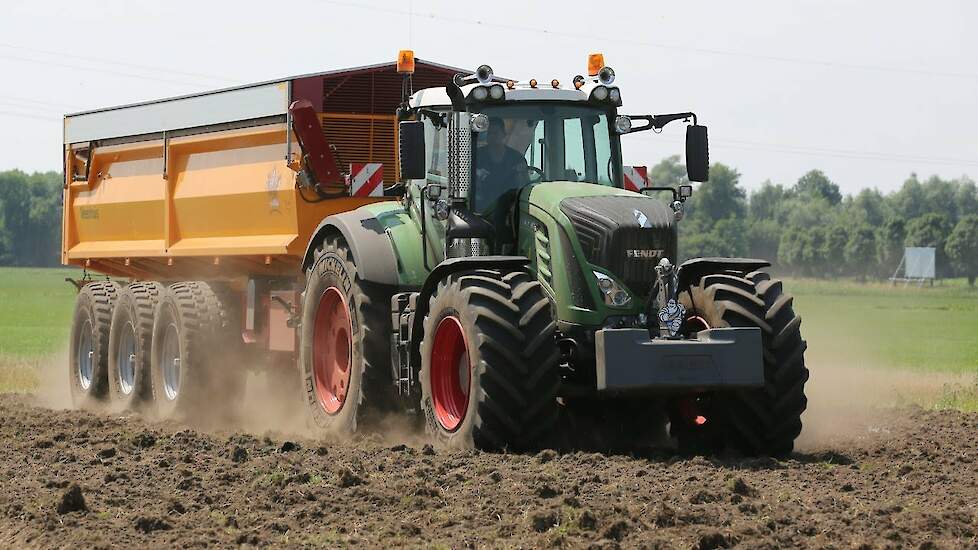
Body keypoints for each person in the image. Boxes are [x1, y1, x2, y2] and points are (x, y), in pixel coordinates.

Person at [474, 117, 529, 213]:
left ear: (503, 134)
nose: (492, 136)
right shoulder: (477, 157)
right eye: (490, 133)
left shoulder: (516, 159)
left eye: (495, 133)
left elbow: (525, 185)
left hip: (511, 208)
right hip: (480, 209)